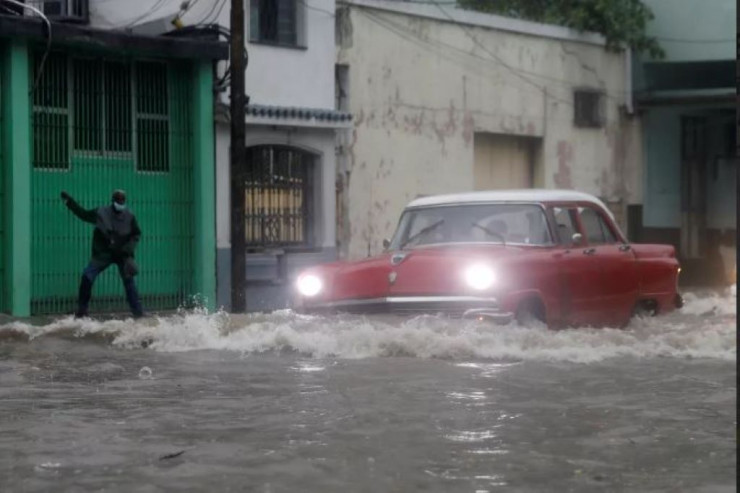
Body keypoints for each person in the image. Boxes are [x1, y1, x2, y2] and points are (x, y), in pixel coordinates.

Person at [61, 189, 144, 319]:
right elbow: (83, 214)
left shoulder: (130, 216)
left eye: (123, 200)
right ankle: (82, 311)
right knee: (87, 276)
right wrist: (69, 202)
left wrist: (128, 249)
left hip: (123, 254)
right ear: (113, 201)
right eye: (118, 200)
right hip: (104, 253)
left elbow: (136, 234)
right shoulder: (101, 213)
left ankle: (138, 313)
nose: (120, 202)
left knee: (129, 282)